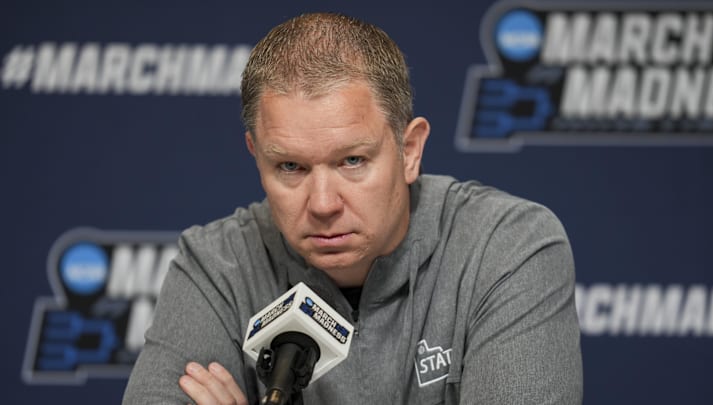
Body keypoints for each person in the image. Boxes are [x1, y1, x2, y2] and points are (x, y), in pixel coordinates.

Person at [122, 12, 583, 405]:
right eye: (290, 166)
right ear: (255, 155)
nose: (323, 204)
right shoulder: (215, 265)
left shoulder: (508, 246)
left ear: (410, 150)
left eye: (352, 161)